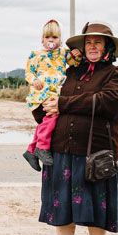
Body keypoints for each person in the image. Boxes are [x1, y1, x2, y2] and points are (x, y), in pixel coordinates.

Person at [38, 21, 118, 235]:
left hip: (96, 155)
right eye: (88, 42)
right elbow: (52, 103)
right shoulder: (69, 73)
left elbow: (108, 103)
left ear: (108, 48)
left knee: (96, 207)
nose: (92, 46)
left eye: (98, 42)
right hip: (62, 151)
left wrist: (63, 104)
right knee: (62, 206)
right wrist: (42, 103)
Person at [22, 19, 81, 171]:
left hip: (56, 93)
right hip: (41, 95)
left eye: (54, 37)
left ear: (60, 40)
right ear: (42, 40)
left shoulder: (63, 54)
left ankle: (30, 151)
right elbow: (29, 72)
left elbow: (75, 63)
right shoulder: (35, 55)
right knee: (51, 117)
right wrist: (34, 80)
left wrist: (76, 54)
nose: (50, 40)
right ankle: (41, 147)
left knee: (46, 123)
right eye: (47, 37)